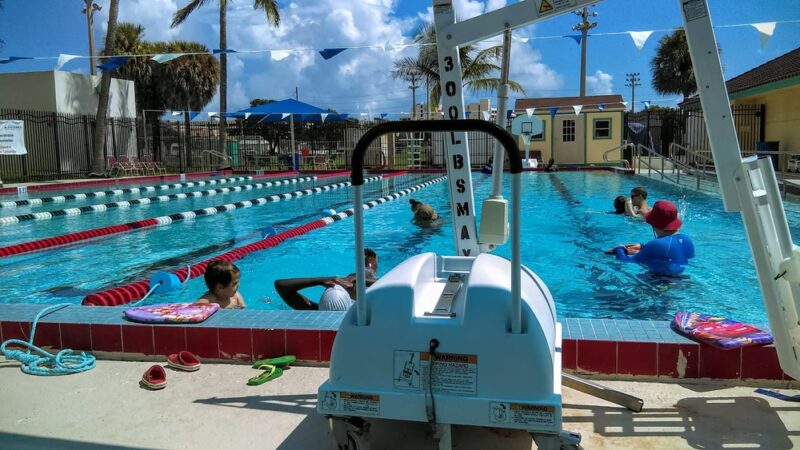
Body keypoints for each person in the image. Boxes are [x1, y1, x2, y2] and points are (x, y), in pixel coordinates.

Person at [275, 248, 378, 311]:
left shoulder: (316, 312)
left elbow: (280, 285)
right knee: (364, 277)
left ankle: (364, 272)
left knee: (352, 282)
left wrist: (320, 281)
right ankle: (369, 268)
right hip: (360, 290)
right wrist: (356, 278)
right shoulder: (365, 312)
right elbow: (388, 287)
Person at [611, 200, 695, 276]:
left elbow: (625, 260)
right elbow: (670, 253)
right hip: (681, 278)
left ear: (654, 222)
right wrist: (643, 247)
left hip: (657, 283)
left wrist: (620, 248)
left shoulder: (657, 244)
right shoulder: (687, 239)